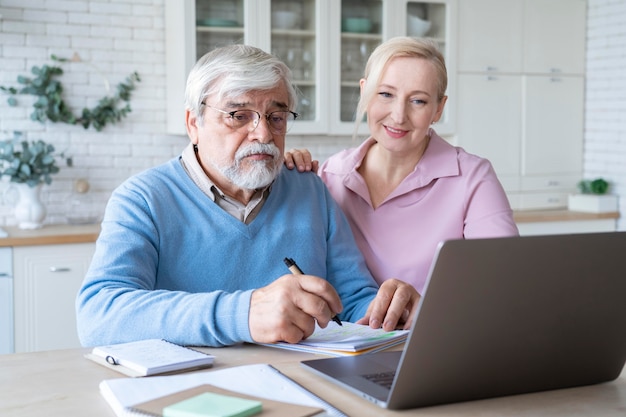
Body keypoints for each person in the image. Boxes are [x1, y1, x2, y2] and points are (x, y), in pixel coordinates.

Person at [75, 44, 420, 348]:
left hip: (305, 385)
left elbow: (353, 299)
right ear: (194, 123)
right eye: (239, 116)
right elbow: (99, 315)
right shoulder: (143, 199)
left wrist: (389, 312)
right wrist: (244, 313)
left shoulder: (310, 190)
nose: (263, 133)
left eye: (276, 116)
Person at [285, 37, 519, 294]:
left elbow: (502, 284)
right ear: (364, 92)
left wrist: (424, 310)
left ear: (439, 109)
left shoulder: (472, 178)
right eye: (385, 94)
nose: (398, 115)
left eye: (418, 101)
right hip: (351, 333)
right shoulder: (331, 175)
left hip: (435, 332)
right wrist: (286, 177)